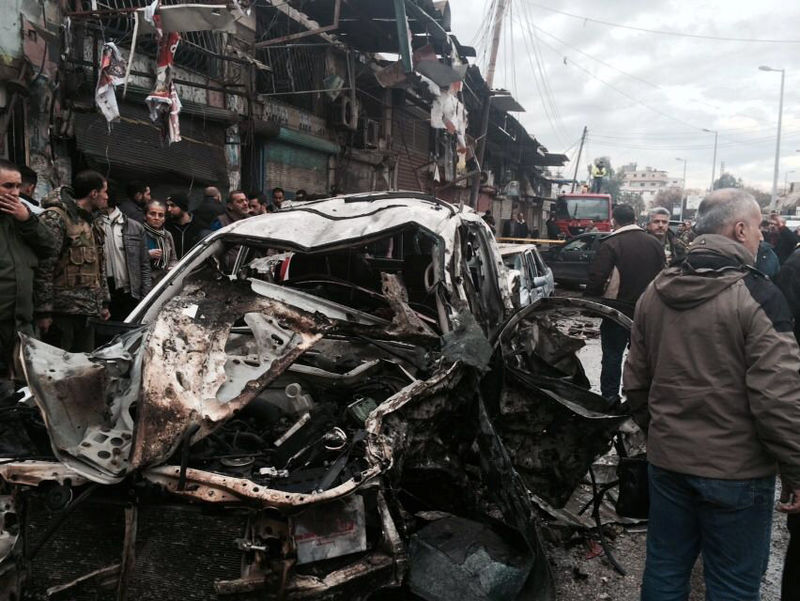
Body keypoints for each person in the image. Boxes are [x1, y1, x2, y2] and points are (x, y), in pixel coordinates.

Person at [623, 188, 800, 601]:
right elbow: (779, 400)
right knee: (733, 585)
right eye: (757, 228)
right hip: (736, 474)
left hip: (668, 464)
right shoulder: (758, 296)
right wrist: (795, 471)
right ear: (739, 230)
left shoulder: (655, 292)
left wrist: (663, 431)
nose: (761, 238)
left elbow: (635, 382)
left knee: (665, 570)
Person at [585, 203, 664, 401]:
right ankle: (636, 398)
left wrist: (590, 304)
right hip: (648, 313)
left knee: (612, 355)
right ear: (636, 219)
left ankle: (610, 399)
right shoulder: (655, 244)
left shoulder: (611, 244)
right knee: (641, 358)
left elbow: (597, 276)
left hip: (616, 312)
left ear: (614, 220)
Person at [38, 170, 111, 352]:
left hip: (87, 312)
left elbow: (98, 266)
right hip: (61, 313)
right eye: (105, 192)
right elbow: (44, 266)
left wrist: (103, 303)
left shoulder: (91, 223)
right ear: (93, 193)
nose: (107, 197)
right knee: (58, 369)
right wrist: (43, 311)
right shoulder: (56, 218)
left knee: (83, 369)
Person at [0, 160, 56, 377]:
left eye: (18, 186)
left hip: (20, 326)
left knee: (22, 392)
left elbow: (50, 247)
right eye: (8, 186)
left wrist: (26, 221)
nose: (15, 193)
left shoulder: (23, 218)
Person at [99, 196, 152, 320]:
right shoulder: (93, 225)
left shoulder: (134, 227)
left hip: (129, 292)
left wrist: (145, 296)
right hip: (103, 293)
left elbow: (144, 264)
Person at [143, 200, 177, 283]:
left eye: (161, 215)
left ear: (164, 219)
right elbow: (131, 261)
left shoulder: (167, 235)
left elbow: (173, 258)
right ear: (145, 216)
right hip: (146, 281)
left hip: (164, 280)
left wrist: (172, 267)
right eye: (152, 214)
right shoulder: (139, 233)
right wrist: (148, 255)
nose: (156, 218)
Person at [166, 192, 207, 259]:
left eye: (173, 205)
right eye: (168, 206)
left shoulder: (199, 226)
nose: (169, 209)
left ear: (182, 207)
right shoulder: (166, 225)